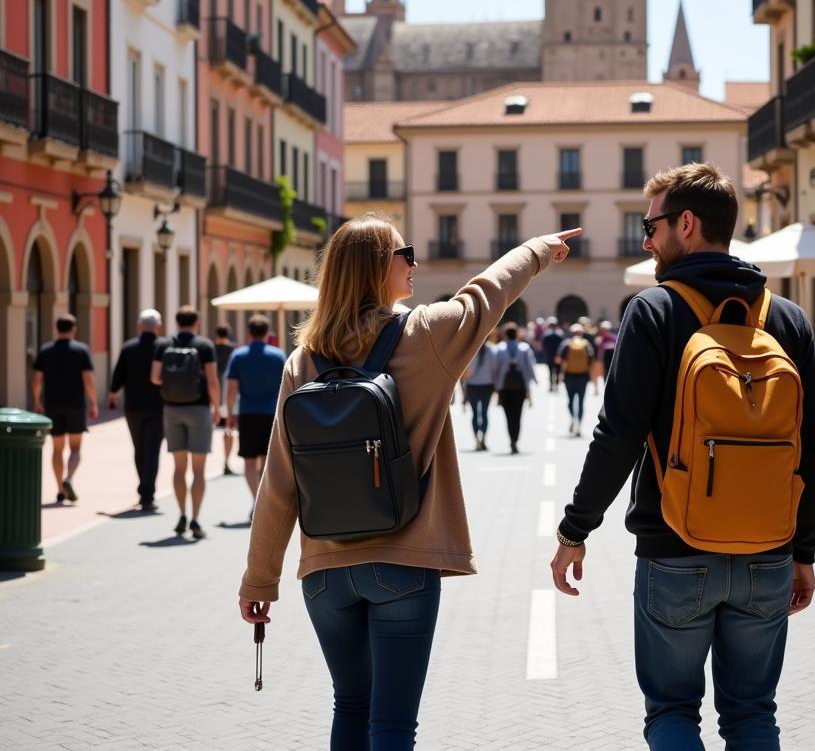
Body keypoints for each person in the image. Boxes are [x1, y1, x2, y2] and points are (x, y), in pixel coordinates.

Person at [238, 216, 580, 750]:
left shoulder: (302, 360)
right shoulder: (425, 335)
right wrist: (538, 249)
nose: (415, 263)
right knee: (393, 723)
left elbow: (278, 481)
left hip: (324, 572)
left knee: (349, 707)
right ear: (380, 266)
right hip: (403, 560)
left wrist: (260, 580)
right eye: (406, 253)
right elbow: (488, 292)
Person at [550, 163, 815, 749]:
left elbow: (618, 435)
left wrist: (576, 530)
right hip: (768, 551)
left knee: (672, 712)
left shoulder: (653, 311)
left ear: (687, 223)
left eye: (650, 227)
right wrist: (804, 549)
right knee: (753, 714)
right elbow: (812, 449)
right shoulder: (787, 319)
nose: (646, 241)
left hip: (675, 545)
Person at [152, 306, 220, 540]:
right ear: (197, 322)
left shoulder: (163, 345)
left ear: (177, 321)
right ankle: (195, 518)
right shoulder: (204, 345)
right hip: (199, 409)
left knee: (179, 467)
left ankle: (181, 513)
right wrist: (216, 407)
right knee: (198, 469)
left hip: (171, 409)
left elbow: (154, 376)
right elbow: (212, 381)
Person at [32, 314, 97, 504]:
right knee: (75, 448)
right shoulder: (81, 350)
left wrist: (36, 401)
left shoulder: (46, 350)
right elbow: (88, 379)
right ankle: (69, 478)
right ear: (73, 329)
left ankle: (60, 488)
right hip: (75, 405)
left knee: (57, 448)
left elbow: (37, 380)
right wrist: (93, 401)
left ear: (57, 329)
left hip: (52, 404)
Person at [226, 315, 287, 517]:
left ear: (249, 333)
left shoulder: (238, 355)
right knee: (266, 462)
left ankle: (255, 500)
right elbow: (286, 386)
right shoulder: (278, 356)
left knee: (249, 462)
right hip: (271, 413)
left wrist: (230, 414)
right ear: (268, 333)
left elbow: (232, 388)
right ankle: (263, 501)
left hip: (248, 413)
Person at [108, 309, 165, 511]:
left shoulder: (129, 347)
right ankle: (147, 493)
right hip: (159, 406)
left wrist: (113, 395)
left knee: (139, 449)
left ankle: (145, 490)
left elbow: (118, 376)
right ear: (158, 325)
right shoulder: (165, 346)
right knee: (152, 450)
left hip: (133, 407)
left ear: (140, 326)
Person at [494, 323, 537, 455]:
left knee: (508, 416)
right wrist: (534, 380)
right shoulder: (524, 348)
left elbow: (495, 368)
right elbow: (530, 366)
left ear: (505, 335)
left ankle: (511, 439)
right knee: (517, 415)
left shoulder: (499, 349)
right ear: (517, 334)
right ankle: (515, 439)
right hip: (520, 386)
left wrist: (495, 386)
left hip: (504, 387)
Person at [556, 323, 594, 436]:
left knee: (570, 400)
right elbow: (591, 359)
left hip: (569, 376)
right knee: (581, 401)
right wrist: (591, 375)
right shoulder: (586, 344)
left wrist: (561, 375)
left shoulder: (566, 344)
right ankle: (579, 425)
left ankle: (573, 418)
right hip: (583, 376)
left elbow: (560, 360)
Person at [463, 331, 498, 450]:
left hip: (472, 385)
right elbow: (495, 370)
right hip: (487, 385)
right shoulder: (492, 350)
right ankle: (483, 438)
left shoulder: (470, 351)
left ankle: (476, 439)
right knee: (484, 412)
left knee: (474, 414)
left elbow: (465, 372)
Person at [214, 325, 237, 475]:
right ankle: (227, 461)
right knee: (230, 429)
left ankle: (226, 461)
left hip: (216, 392)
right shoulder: (233, 350)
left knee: (226, 430)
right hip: (229, 392)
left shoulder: (212, 349)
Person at [541, 317, 564, 392]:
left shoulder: (546, 334)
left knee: (550, 371)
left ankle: (551, 385)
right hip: (557, 355)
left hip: (549, 356)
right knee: (557, 371)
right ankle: (556, 385)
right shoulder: (560, 333)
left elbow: (544, 346)